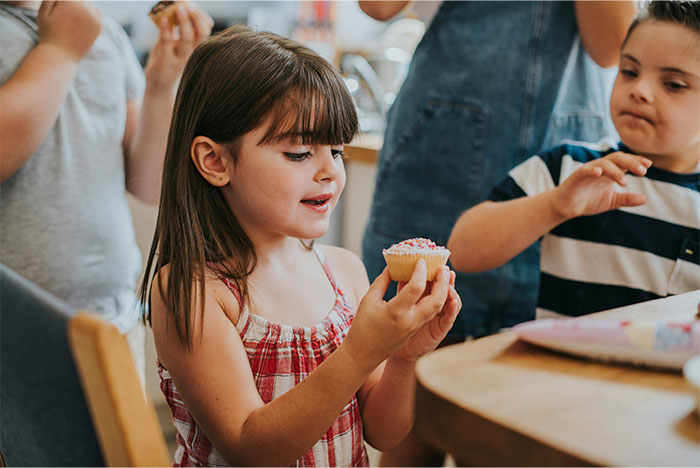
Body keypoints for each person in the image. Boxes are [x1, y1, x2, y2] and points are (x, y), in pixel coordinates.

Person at [138, 25, 462, 467]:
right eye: (298, 153)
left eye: (337, 151)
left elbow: (385, 433)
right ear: (215, 161)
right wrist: (361, 351)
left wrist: (404, 357)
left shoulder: (344, 271)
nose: (330, 171)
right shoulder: (194, 292)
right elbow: (251, 449)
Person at [359, 1, 636, 465]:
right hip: (437, 158)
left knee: (508, 431)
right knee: (410, 406)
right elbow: (378, 6)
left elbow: (612, 48)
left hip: (560, 166)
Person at [449, 1, 700, 320]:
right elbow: (464, 249)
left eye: (673, 84)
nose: (640, 90)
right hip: (557, 370)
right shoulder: (571, 168)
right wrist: (555, 205)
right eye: (629, 71)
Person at [0, 1, 212, 367]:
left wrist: (161, 88)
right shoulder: (74, 34)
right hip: (13, 337)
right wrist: (61, 49)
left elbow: (147, 183)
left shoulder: (106, 35)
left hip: (114, 321)